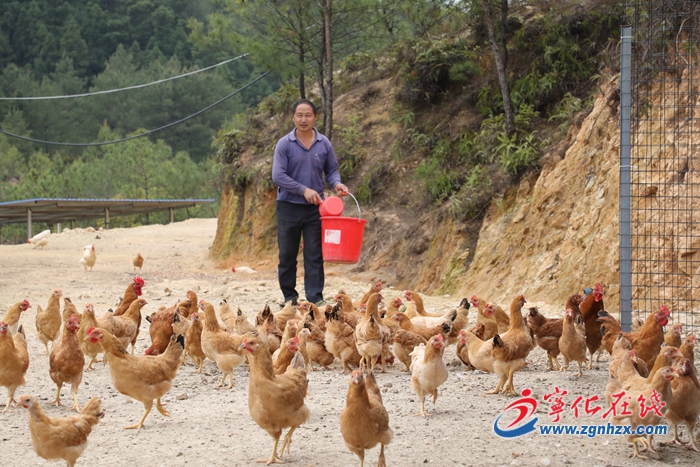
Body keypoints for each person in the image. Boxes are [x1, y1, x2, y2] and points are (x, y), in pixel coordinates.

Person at [272, 99, 348, 307]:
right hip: (288, 206)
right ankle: (289, 297)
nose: (303, 119)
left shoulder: (324, 143)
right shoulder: (284, 144)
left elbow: (331, 170)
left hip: (316, 209)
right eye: (299, 115)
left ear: (315, 117)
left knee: (314, 253)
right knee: (287, 253)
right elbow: (278, 175)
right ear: (293, 117)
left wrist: (337, 184)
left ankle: (315, 297)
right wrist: (302, 190)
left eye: (308, 115)